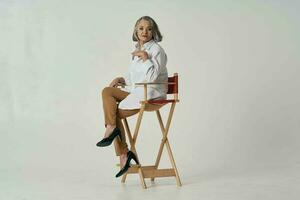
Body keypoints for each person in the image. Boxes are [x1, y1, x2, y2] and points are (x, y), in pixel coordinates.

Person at [96, 16, 168, 178]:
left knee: (114, 114)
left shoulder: (157, 50)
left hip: (152, 94)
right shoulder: (136, 50)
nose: (145, 32)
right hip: (138, 91)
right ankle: (112, 130)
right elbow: (135, 81)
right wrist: (122, 81)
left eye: (149, 29)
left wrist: (146, 58)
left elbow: (151, 78)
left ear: (154, 32)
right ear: (136, 31)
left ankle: (124, 153)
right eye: (141, 28)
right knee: (107, 91)